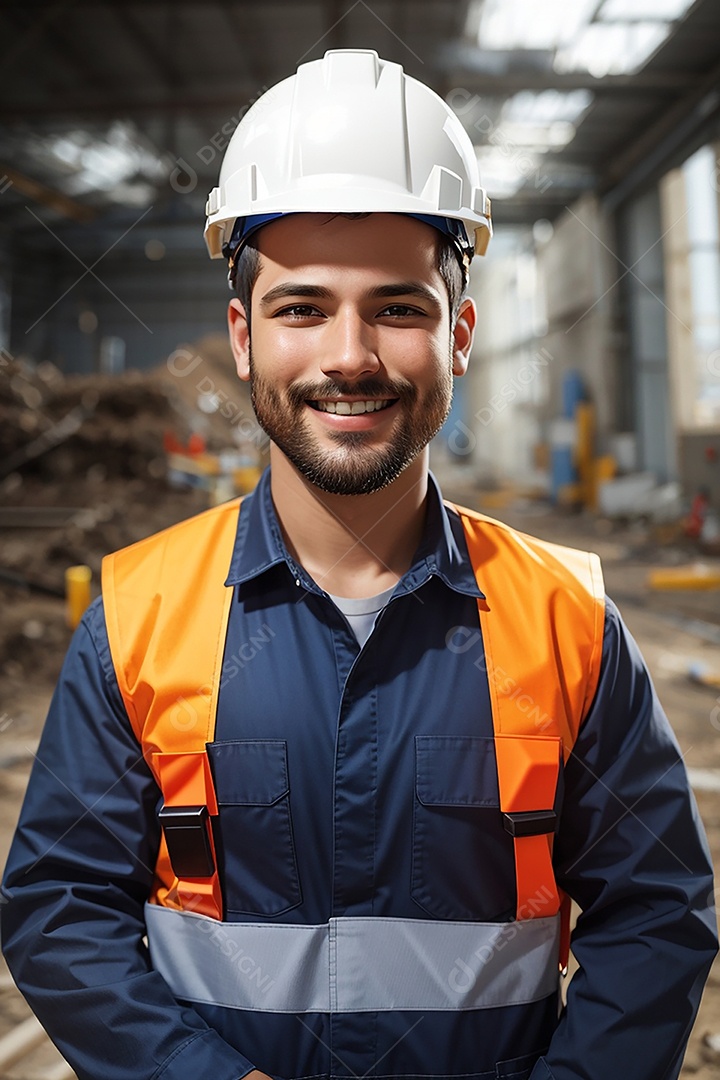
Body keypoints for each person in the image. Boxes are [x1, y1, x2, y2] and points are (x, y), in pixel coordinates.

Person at [1, 48, 717, 1080]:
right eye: (302, 308)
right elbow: (61, 910)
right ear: (242, 338)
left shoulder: (569, 622)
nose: (349, 354)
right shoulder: (135, 618)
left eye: (398, 307)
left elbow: (654, 914)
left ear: (459, 334)